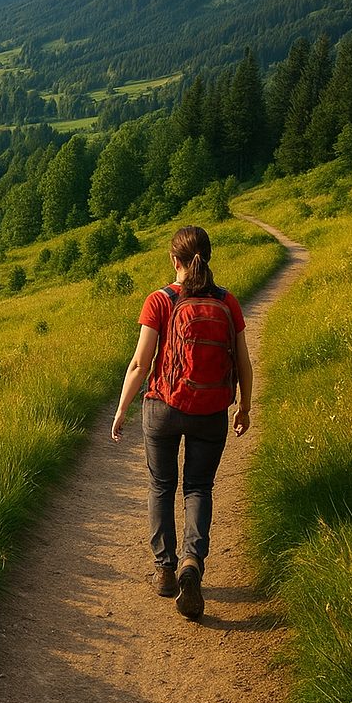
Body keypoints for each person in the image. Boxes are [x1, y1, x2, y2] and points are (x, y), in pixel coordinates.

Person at [110, 225, 253, 620]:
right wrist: (244, 406)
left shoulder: (160, 301)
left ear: (173, 261)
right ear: (208, 257)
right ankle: (193, 562)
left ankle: (166, 569)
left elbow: (141, 364)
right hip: (211, 411)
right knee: (199, 487)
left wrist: (122, 409)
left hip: (163, 408)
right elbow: (243, 362)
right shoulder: (228, 302)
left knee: (161, 485)